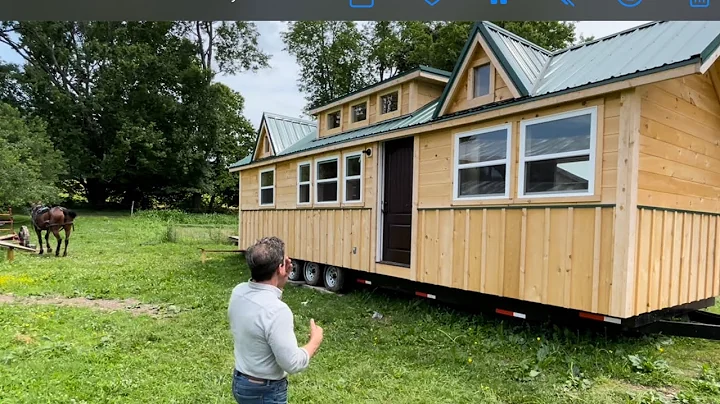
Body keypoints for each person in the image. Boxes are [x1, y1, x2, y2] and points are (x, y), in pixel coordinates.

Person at [228, 236, 324, 404]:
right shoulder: (277, 311)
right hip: (265, 391)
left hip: (241, 383)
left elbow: (265, 304)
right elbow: (292, 364)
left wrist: (279, 283)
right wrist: (314, 341)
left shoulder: (238, 292)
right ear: (280, 268)